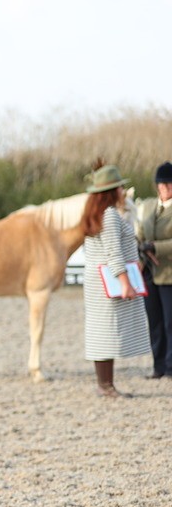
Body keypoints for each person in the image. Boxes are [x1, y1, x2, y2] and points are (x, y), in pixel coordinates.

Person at [80, 165, 150, 397]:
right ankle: (105, 385)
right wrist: (125, 282)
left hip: (96, 279)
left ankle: (105, 383)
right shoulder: (109, 215)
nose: (122, 190)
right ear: (112, 191)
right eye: (120, 186)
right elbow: (114, 252)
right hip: (108, 279)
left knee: (101, 331)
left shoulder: (94, 212)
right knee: (105, 331)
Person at [136, 162, 172, 379]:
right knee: (155, 321)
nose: (165, 189)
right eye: (162, 185)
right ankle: (158, 365)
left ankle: (171, 366)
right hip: (150, 273)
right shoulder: (148, 207)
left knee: (171, 322)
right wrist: (141, 244)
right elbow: (139, 231)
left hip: (169, 275)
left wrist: (155, 247)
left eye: (169, 184)